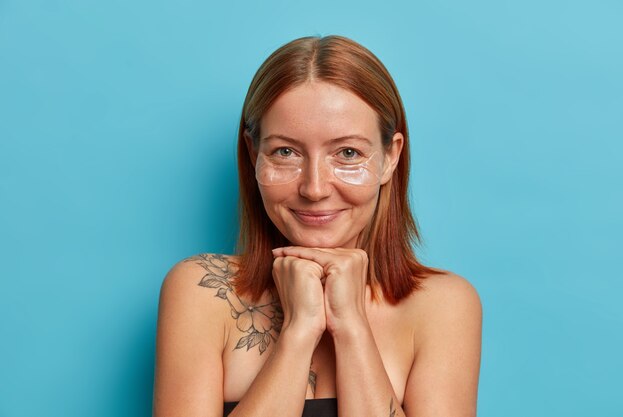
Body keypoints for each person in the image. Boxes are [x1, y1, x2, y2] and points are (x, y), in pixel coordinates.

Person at [153, 35, 482, 417]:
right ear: (252, 154)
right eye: (285, 152)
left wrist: (351, 326)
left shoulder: (443, 305)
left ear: (390, 158)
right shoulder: (200, 293)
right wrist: (298, 330)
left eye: (347, 153)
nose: (314, 188)